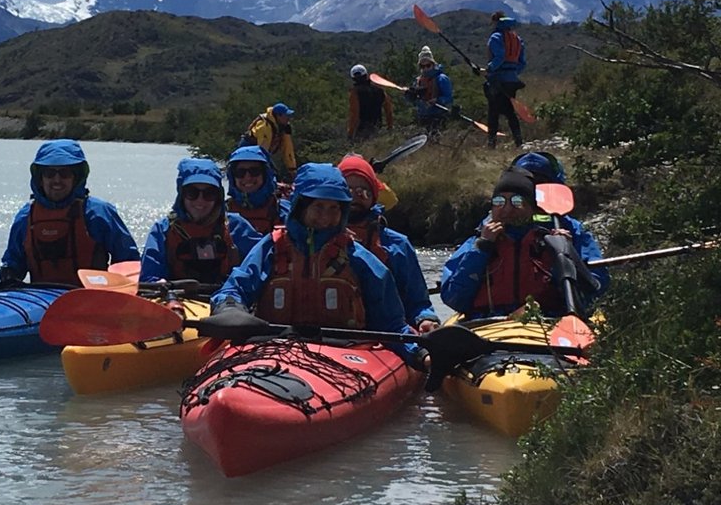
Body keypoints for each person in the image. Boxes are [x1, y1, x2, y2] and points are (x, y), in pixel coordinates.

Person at [211, 163, 424, 369]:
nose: (326, 217)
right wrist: (230, 308)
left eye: (334, 208)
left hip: (346, 354)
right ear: (301, 207)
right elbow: (235, 288)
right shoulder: (271, 248)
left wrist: (419, 353)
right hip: (273, 348)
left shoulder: (358, 258)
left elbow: (392, 325)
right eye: (319, 207)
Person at [440, 167, 609, 318]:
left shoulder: (555, 238)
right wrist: (482, 249)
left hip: (547, 321)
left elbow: (592, 294)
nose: (506, 209)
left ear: (531, 208)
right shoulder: (476, 243)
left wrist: (566, 254)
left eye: (517, 202)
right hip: (488, 324)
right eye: (499, 201)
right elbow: (453, 299)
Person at [0, 139, 139, 285]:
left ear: (76, 177)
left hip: (92, 298)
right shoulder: (25, 216)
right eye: (49, 173)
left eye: (65, 173)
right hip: (40, 299)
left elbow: (129, 262)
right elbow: (13, 263)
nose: (57, 180)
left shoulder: (99, 213)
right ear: (40, 178)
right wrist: (8, 274)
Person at [338, 154, 439, 333]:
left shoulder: (397, 244)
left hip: (387, 338)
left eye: (363, 191)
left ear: (374, 196)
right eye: (347, 190)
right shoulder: (317, 237)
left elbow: (418, 302)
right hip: (332, 337)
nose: (354, 197)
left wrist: (426, 318)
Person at [140, 158, 261, 285]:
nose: (200, 200)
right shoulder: (163, 230)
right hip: (177, 299)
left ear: (218, 196)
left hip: (228, 299)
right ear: (181, 195)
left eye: (209, 193)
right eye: (192, 193)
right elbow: (150, 276)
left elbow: (263, 263)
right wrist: (159, 285)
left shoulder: (236, 226)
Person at [480, 11, 526, 149]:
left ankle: (491, 143)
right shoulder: (518, 39)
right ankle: (518, 141)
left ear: (496, 22)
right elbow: (522, 63)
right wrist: (513, 73)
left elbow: (499, 57)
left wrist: (489, 69)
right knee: (510, 112)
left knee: (493, 112)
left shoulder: (496, 37)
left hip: (498, 80)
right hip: (512, 80)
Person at [225, 144, 290, 235]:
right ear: (232, 177)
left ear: (265, 174)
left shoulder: (283, 210)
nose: (247, 177)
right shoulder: (222, 211)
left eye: (254, 171)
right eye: (240, 172)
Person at [241, 102, 298, 183]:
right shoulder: (265, 127)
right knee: (268, 175)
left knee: (275, 174)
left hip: (262, 152)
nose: (289, 118)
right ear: (278, 116)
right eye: (286, 116)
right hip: (248, 151)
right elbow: (262, 151)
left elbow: (288, 149)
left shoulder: (284, 127)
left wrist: (292, 169)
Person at [405, 47, 454, 137]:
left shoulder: (441, 79)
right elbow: (411, 101)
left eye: (428, 65)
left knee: (436, 139)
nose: (425, 69)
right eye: (422, 66)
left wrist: (437, 100)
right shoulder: (418, 81)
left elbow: (449, 97)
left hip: (438, 115)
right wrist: (409, 95)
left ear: (433, 64)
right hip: (422, 116)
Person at [347, 65, 394, 139]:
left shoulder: (355, 92)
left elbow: (354, 115)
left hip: (362, 131)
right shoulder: (379, 90)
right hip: (378, 127)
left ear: (353, 78)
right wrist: (390, 127)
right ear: (366, 75)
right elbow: (389, 110)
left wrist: (350, 134)